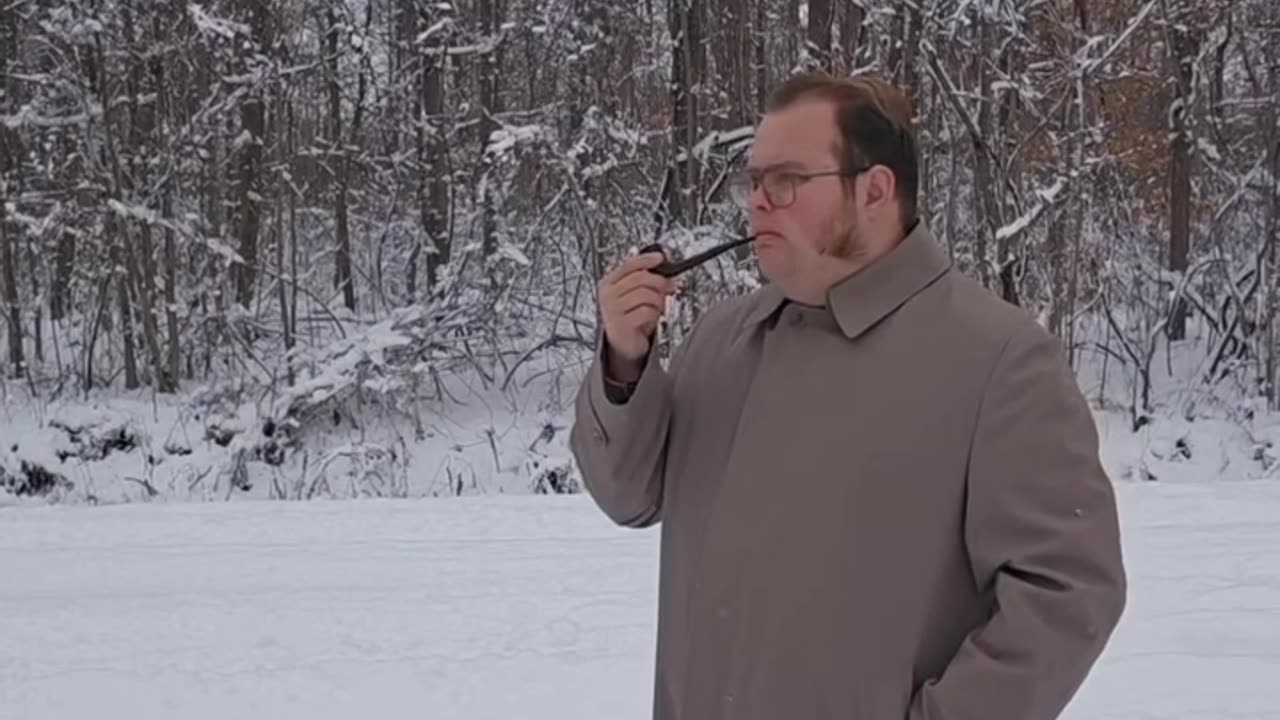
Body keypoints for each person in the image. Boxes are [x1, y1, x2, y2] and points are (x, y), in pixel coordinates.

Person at [568, 71, 1127, 720]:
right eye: (754, 181)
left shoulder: (997, 360)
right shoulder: (722, 336)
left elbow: (1067, 591)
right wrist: (624, 363)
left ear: (875, 190)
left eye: (787, 180)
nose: (758, 202)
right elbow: (629, 497)